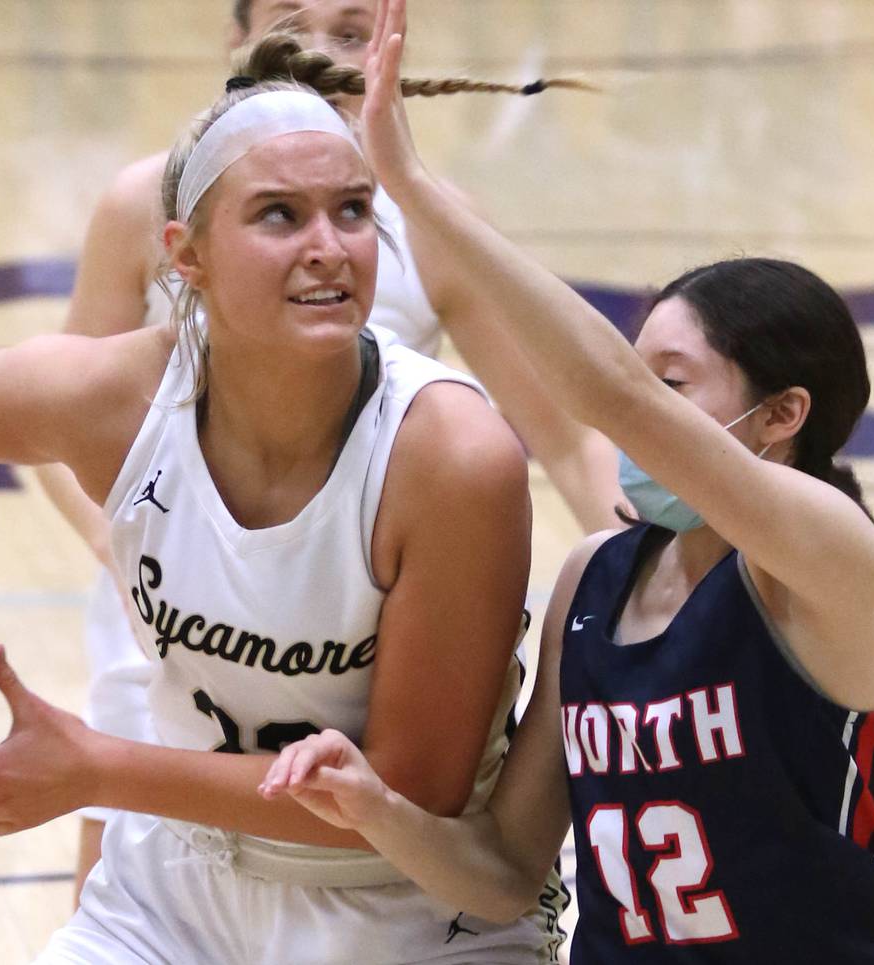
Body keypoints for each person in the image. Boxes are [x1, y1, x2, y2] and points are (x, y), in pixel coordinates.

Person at [0, 25, 570, 965]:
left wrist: (96, 769)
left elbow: (403, 801)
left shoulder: (449, 456)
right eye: (280, 215)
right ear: (183, 257)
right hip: (177, 887)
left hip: (401, 908)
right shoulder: (124, 396)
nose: (329, 246)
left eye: (352, 211)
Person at [261, 2, 874, 961]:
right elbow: (506, 867)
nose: (644, 403)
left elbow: (608, 398)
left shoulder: (832, 564)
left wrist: (409, 184)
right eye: (639, 369)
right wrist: (372, 807)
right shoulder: (594, 580)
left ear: (783, 414)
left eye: (674, 382)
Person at [40, 0, 618, 904]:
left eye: (351, 31)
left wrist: (663, 563)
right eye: (294, 21)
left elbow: (569, 438)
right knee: (121, 869)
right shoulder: (144, 201)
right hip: (166, 602)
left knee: (348, 857)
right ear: (240, 41)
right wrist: (127, 555)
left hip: (350, 619)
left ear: (389, 51)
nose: (319, 51)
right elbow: (47, 425)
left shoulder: (432, 219)